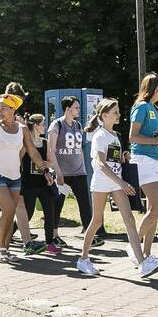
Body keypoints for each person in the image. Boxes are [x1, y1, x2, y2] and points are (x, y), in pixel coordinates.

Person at [75, 98, 158, 278]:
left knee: (129, 219)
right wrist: (121, 183)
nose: (118, 115)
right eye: (115, 112)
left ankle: (142, 263)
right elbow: (101, 164)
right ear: (104, 116)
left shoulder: (115, 136)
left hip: (116, 182)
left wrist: (123, 158)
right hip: (102, 183)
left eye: (118, 111)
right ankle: (83, 259)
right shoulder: (100, 136)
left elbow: (113, 161)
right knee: (96, 221)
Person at [0, 94, 48, 262]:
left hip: (15, 177)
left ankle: (5, 249)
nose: (0, 111)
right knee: (9, 210)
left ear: (13, 109)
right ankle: (0, 247)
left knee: (9, 214)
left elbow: (32, 151)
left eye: (4, 108)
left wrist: (45, 170)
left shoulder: (23, 129)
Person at [127, 73, 158, 259]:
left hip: (157, 161)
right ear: (157, 88)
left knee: (153, 210)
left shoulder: (155, 109)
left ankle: (147, 255)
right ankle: (134, 245)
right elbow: (133, 137)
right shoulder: (141, 107)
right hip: (143, 159)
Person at [49, 95, 98, 248]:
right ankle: (54, 235)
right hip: (63, 173)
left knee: (85, 203)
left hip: (78, 172)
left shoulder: (77, 125)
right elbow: (51, 150)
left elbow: (80, 148)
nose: (78, 110)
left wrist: (83, 165)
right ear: (67, 109)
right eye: (76, 107)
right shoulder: (56, 125)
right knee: (57, 204)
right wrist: (57, 172)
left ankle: (91, 235)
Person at [20, 114, 59, 254]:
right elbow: (20, 162)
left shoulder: (44, 142)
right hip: (29, 183)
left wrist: (44, 165)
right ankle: (8, 235)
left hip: (44, 182)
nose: (44, 126)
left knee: (50, 212)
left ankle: (49, 242)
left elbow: (50, 161)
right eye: (42, 124)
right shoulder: (26, 142)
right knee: (27, 213)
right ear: (35, 126)